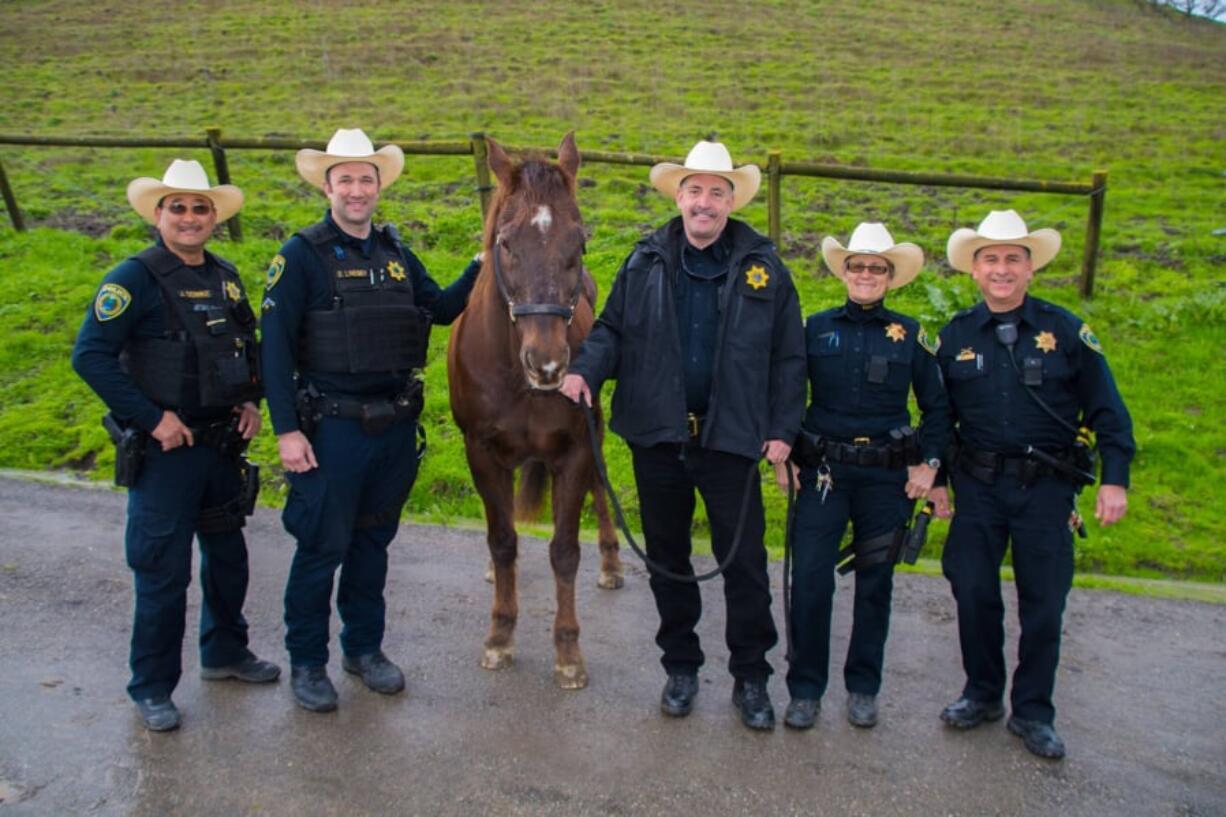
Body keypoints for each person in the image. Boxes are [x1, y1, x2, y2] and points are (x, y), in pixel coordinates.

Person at [560, 139, 806, 731]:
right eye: (694, 190)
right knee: (667, 558)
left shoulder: (765, 268)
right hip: (660, 438)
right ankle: (682, 666)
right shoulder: (645, 259)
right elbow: (613, 329)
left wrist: (781, 429)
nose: (704, 202)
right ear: (679, 195)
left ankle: (751, 677)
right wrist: (585, 369)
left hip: (731, 440)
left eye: (716, 192)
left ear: (730, 201)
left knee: (743, 562)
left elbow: (789, 356)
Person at [261, 128, 480, 712]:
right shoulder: (300, 255)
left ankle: (364, 649)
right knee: (320, 549)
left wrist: (484, 262)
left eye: (366, 178)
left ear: (378, 186)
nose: (356, 190)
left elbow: (439, 309)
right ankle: (307, 661)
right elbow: (275, 351)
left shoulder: (394, 252)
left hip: (392, 430)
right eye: (346, 179)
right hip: (330, 431)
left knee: (372, 546)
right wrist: (286, 431)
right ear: (327, 186)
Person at [72, 159, 279, 732]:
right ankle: (152, 686)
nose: (190, 218)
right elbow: (89, 356)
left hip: (220, 448)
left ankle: (225, 654)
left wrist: (250, 400)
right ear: (158, 214)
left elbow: (240, 348)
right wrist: (151, 417)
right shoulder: (132, 278)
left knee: (229, 562)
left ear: (214, 217)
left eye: (200, 208)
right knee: (163, 573)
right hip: (166, 452)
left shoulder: (224, 275)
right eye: (178, 207)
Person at [931, 210, 1134, 759]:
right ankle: (982, 693)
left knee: (1044, 603)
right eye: (991, 259)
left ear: (1030, 268)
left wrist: (1114, 480)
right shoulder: (955, 337)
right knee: (972, 592)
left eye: (1013, 259)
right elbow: (938, 418)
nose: (1002, 269)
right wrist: (938, 481)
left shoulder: (1066, 332)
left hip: (1045, 490)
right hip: (977, 486)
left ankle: (1034, 712)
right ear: (974, 270)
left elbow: (1109, 412)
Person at [776, 223, 951, 730]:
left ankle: (863, 687)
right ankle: (805, 689)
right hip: (823, 475)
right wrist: (785, 450)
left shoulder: (912, 334)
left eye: (877, 267)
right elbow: (788, 392)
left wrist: (931, 464)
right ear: (845, 272)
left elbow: (938, 408)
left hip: (885, 480)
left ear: (891, 277)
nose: (867, 274)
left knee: (876, 585)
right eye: (858, 266)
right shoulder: (815, 328)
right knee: (809, 581)